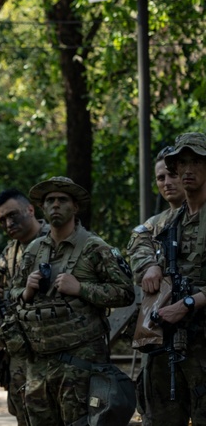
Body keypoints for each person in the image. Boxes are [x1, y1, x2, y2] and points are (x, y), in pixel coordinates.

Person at [10, 177, 135, 426]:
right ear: (43, 208)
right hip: (39, 364)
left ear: (75, 207)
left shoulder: (95, 247)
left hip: (80, 365)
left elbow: (125, 292)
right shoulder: (33, 250)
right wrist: (25, 292)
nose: (55, 205)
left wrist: (81, 288)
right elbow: (12, 293)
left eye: (62, 200)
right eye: (50, 200)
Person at [137, 133, 206, 425]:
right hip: (169, 346)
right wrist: (151, 264)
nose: (187, 169)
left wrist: (189, 303)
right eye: (181, 163)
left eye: (196, 161)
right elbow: (138, 238)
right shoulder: (168, 223)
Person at [126, 145, 186, 424]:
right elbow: (138, 251)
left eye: (172, 175)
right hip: (162, 337)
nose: (167, 182)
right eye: (161, 178)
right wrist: (151, 264)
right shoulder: (151, 226)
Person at [0, 188, 49, 426]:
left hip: (53, 345)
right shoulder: (8, 254)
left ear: (30, 210)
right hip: (18, 351)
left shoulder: (57, 240)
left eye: (12, 215)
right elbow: (0, 299)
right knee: (22, 412)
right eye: (2, 220)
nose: (8, 223)